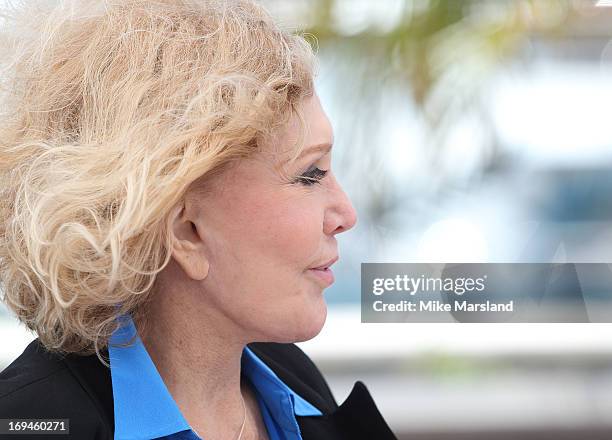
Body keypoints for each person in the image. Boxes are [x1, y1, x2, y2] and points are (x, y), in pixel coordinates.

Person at [0, 0, 397, 439]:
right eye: (310, 175)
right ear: (185, 231)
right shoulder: (29, 422)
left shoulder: (291, 379)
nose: (346, 214)